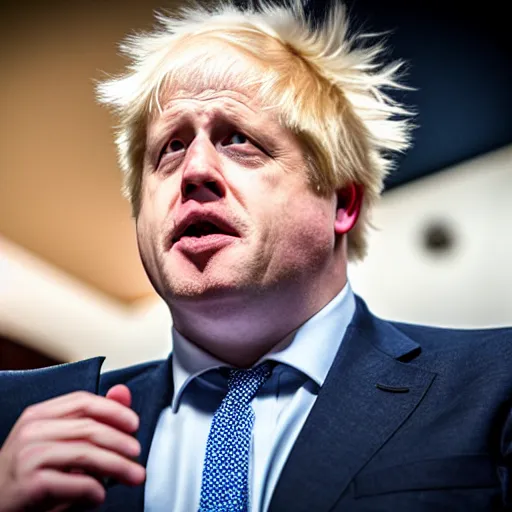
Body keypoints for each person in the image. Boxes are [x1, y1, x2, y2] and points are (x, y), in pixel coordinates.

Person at [0, 1, 511, 511]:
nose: (195, 169)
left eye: (239, 140)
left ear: (342, 202)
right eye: (170, 149)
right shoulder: (18, 418)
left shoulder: (496, 381)